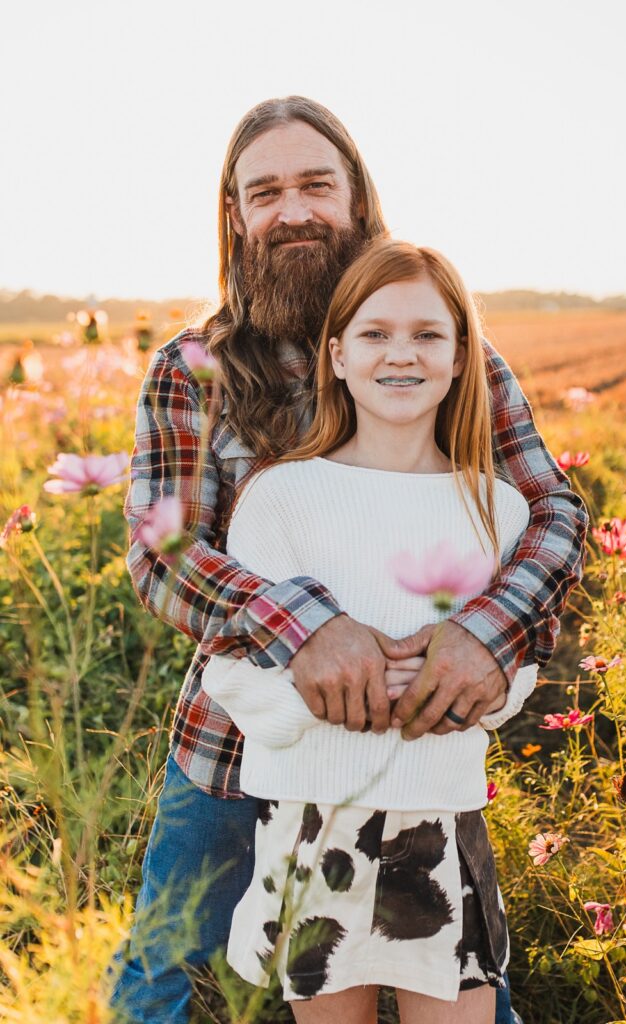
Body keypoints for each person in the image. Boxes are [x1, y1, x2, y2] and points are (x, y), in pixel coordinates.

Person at [110, 96, 588, 1024]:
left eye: (316, 185)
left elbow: (552, 513)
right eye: (266, 191)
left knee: (455, 973)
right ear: (236, 216)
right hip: (238, 746)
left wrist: (486, 638)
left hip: (415, 749)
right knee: (161, 970)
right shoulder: (192, 367)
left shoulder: (447, 349)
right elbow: (162, 553)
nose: (293, 210)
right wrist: (308, 627)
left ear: (358, 201)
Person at [200, 238, 542, 1024]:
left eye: (428, 335)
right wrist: (324, 702)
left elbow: (520, 663)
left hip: (444, 826)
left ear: (463, 359)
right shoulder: (279, 498)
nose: (402, 355)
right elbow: (232, 669)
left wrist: (457, 693)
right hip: (313, 826)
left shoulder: (498, 508)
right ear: (338, 356)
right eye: (375, 333)